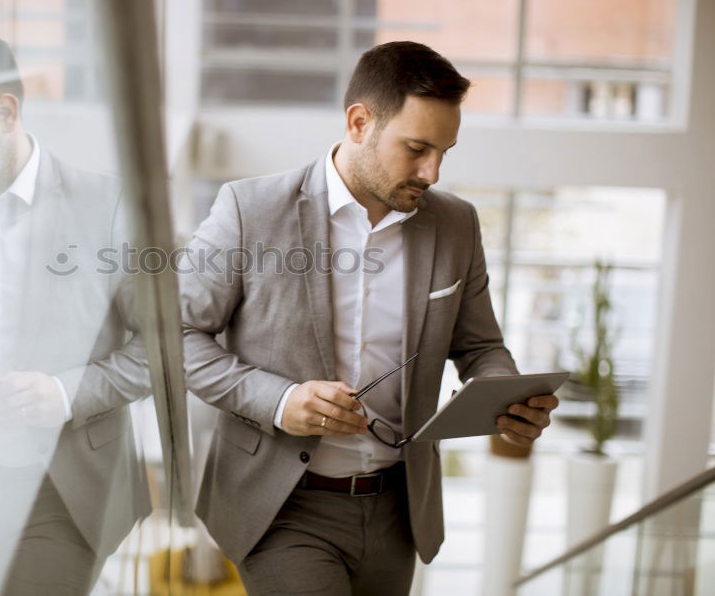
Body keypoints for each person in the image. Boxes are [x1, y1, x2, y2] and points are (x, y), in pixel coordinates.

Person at [179, 41, 559, 595]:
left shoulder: (456, 224)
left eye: (444, 151)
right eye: (417, 148)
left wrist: (502, 393)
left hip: (397, 511)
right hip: (282, 505)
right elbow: (176, 337)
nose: (432, 171)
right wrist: (279, 401)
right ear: (359, 123)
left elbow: (480, 346)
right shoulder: (249, 209)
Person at [0, 29, 151, 595]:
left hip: (63, 486)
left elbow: (164, 348)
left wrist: (67, 392)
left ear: (4, 112)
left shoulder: (110, 206)